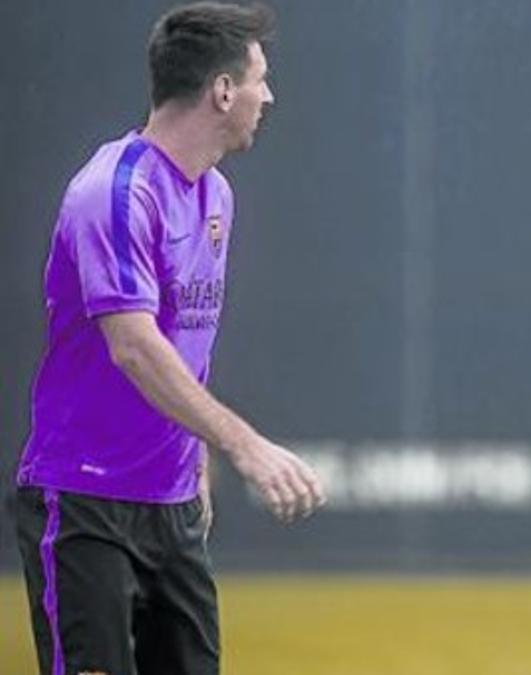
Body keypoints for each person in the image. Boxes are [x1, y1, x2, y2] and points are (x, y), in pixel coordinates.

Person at [13, 4, 326, 674]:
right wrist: (242, 445)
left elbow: (183, 342)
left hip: (173, 506)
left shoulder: (216, 195)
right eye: (259, 79)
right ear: (221, 90)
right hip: (85, 504)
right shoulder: (115, 191)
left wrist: (198, 464)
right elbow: (133, 345)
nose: (267, 96)